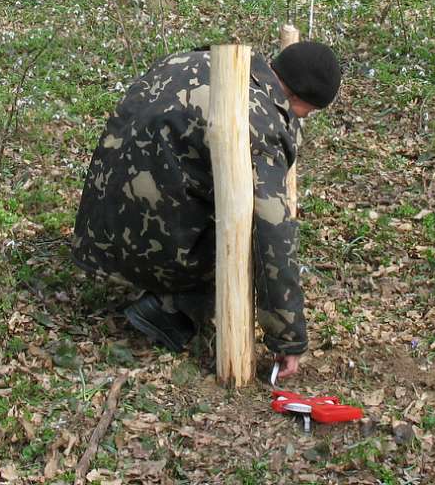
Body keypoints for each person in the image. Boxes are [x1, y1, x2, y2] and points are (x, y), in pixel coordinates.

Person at [71, 41, 343, 379]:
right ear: (302, 100)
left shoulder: (196, 60)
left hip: (96, 230)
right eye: (308, 112)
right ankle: (168, 310)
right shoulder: (257, 119)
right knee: (243, 229)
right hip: (140, 246)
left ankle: (160, 289)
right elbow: (273, 237)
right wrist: (288, 339)